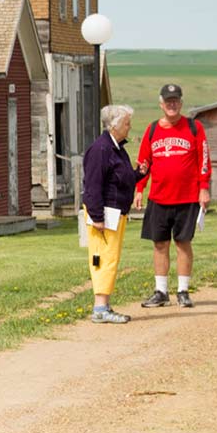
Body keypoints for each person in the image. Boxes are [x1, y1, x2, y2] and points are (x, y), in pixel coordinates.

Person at [134, 82, 211, 309]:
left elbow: (204, 160)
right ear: (161, 104)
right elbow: (144, 162)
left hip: (187, 197)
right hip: (159, 197)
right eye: (168, 101)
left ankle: (183, 291)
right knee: (159, 243)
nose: (172, 105)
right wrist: (139, 188)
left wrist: (204, 187)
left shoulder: (194, 127)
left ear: (181, 103)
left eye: (176, 100)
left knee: (183, 243)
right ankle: (161, 291)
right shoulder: (153, 130)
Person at [81, 103, 148, 323]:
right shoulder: (101, 149)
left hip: (116, 213)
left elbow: (122, 178)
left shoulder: (117, 148)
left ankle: (104, 305)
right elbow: (92, 185)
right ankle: (100, 309)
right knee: (103, 258)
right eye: (127, 123)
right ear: (114, 125)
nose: (130, 127)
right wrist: (97, 217)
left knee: (111, 258)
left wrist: (139, 173)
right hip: (104, 214)